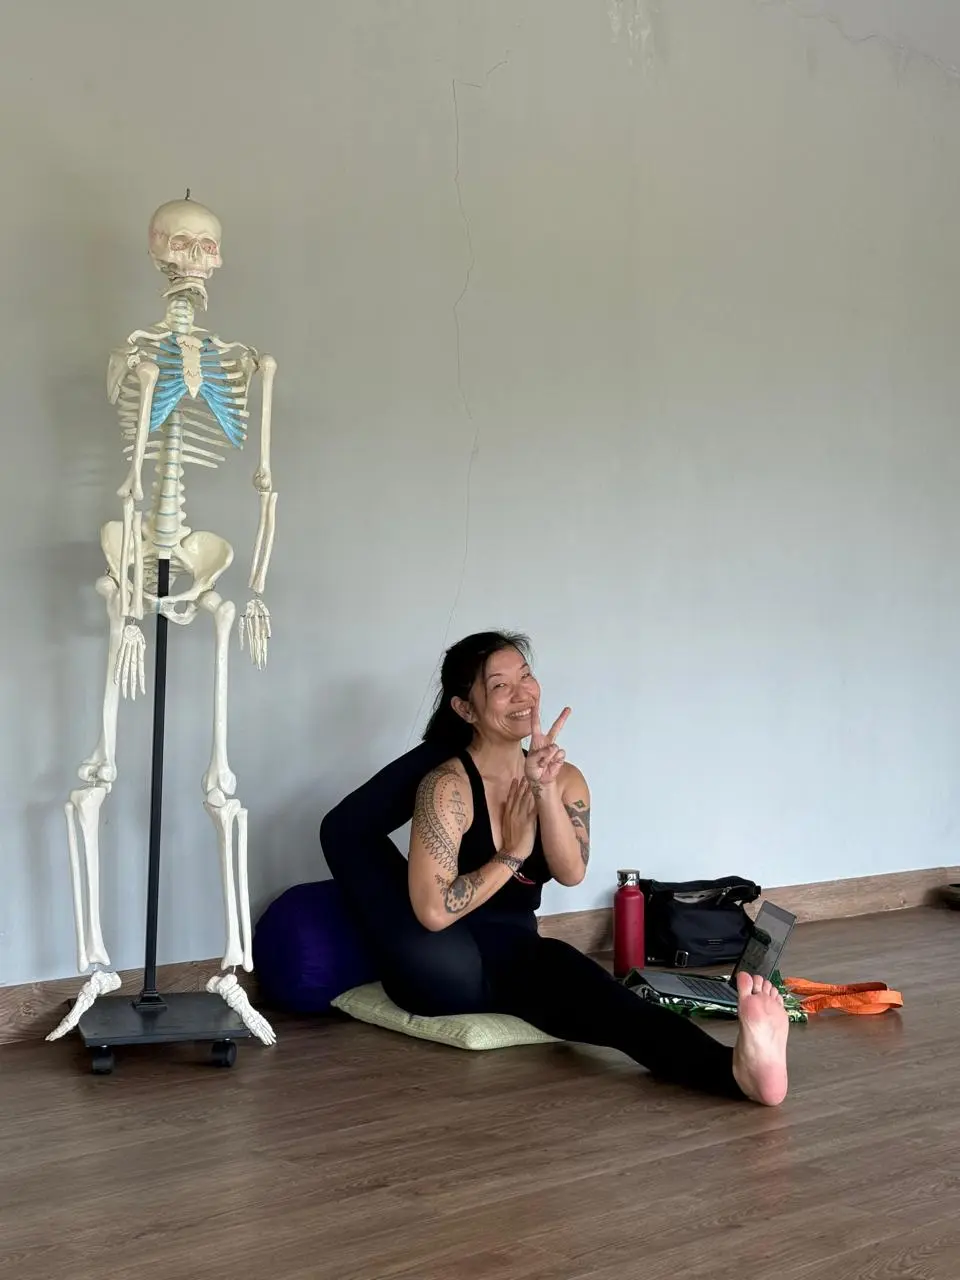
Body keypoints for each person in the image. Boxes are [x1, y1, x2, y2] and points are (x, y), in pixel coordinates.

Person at [319, 630, 789, 1105]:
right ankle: (456, 729)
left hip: (516, 951)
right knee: (345, 834)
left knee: (610, 1002)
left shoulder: (564, 778)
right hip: (438, 960)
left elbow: (571, 872)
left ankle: (738, 1073)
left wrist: (543, 790)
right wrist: (512, 854)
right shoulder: (446, 786)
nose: (523, 693)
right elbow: (434, 914)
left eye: (526, 675)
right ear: (465, 708)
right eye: (500, 686)